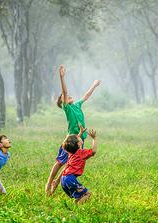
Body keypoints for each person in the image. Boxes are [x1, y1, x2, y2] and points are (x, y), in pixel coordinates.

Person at [45, 64, 101, 195]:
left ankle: (57, 182)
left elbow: (86, 95)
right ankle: (49, 182)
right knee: (60, 162)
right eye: (65, 97)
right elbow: (64, 92)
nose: (68, 96)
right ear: (62, 102)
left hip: (80, 139)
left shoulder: (77, 105)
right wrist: (62, 77)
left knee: (71, 162)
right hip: (71, 140)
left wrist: (94, 85)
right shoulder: (67, 108)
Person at [60, 127, 97, 204]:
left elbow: (74, 141)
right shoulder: (81, 153)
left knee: (79, 196)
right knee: (87, 194)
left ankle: (75, 206)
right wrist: (94, 139)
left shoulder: (71, 152)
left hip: (63, 179)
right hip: (70, 179)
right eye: (78, 138)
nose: (79, 138)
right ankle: (77, 209)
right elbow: (93, 151)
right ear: (78, 143)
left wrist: (80, 133)